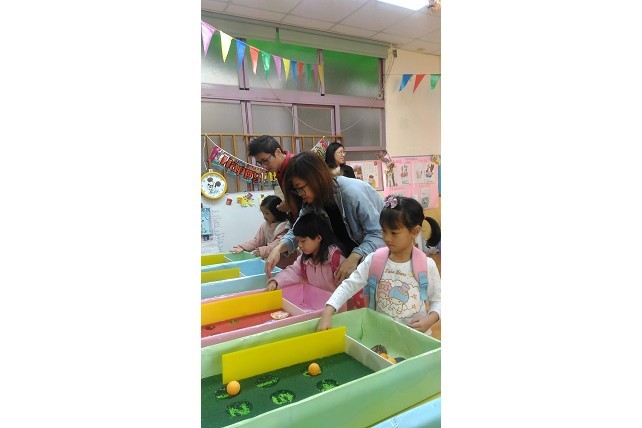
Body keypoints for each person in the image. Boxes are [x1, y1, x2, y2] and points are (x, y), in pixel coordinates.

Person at [316, 196, 441, 335]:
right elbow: (349, 285)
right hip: (381, 336)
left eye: (394, 233)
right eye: (384, 231)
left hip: (415, 339)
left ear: (415, 231)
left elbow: (438, 301)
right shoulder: (374, 260)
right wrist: (328, 311)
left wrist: (429, 320)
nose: (387, 238)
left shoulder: (426, 265)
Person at [265, 151, 385, 285]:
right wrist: (278, 249)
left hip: (378, 262)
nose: (300, 194)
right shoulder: (312, 203)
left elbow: (379, 233)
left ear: (315, 179)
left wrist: (355, 257)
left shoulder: (351, 193)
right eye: (296, 190)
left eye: (300, 188)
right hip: (352, 263)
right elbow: (298, 230)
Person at [266, 213, 347, 310]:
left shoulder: (336, 260)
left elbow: (348, 288)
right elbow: (292, 272)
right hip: (315, 308)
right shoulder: (304, 260)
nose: (299, 245)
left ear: (318, 238)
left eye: (303, 241)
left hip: (336, 309)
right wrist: (276, 281)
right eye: (298, 241)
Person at [230, 195, 297, 269]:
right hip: (272, 263)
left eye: (267, 213)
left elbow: (277, 245)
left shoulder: (285, 226)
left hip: (287, 264)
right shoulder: (265, 225)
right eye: (263, 213)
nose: (264, 216)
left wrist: (262, 251)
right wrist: (242, 247)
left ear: (276, 212)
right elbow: (257, 241)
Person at [248, 135, 301, 220]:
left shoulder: (296, 165)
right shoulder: (280, 170)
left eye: (265, 161)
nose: (264, 166)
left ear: (278, 152)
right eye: (260, 163)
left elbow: (309, 197)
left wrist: (288, 204)